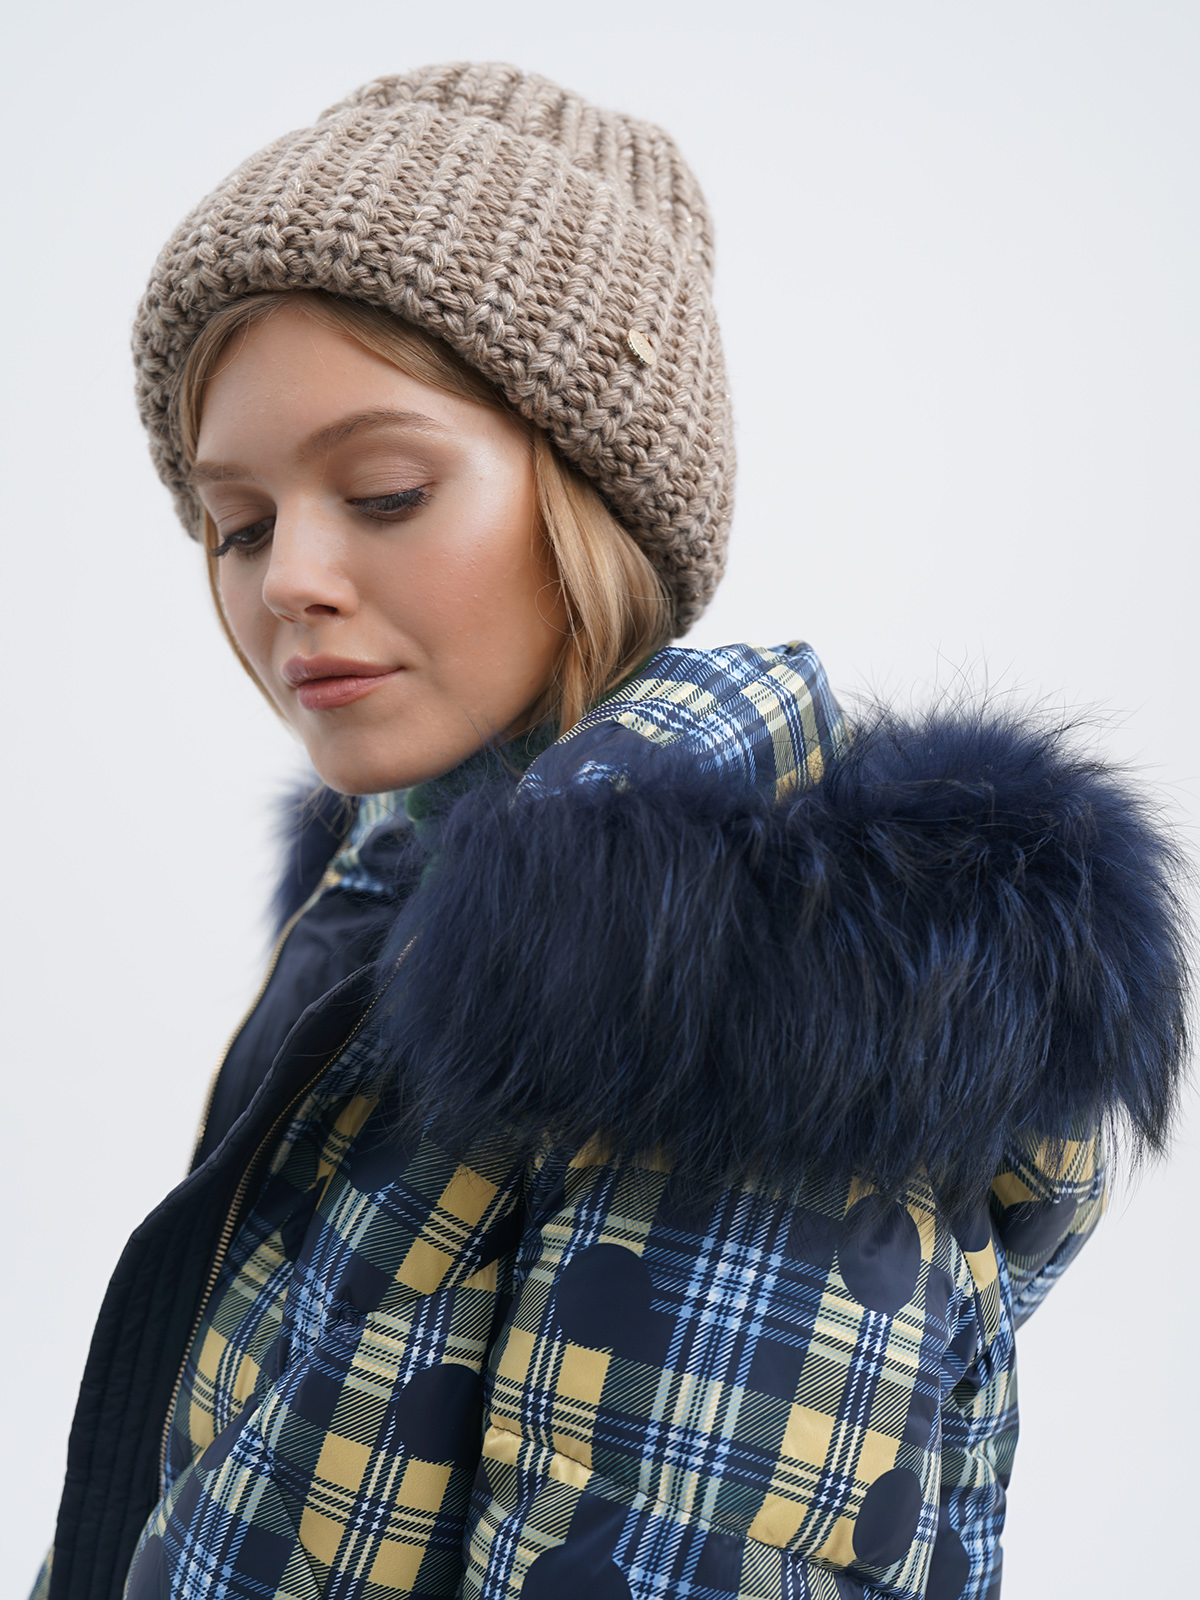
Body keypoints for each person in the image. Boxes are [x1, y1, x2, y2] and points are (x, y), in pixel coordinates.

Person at [38, 62, 1189, 1600]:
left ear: (599, 500)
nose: (286, 578)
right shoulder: (402, 913)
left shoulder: (740, 1022)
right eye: (234, 523)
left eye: (384, 491)